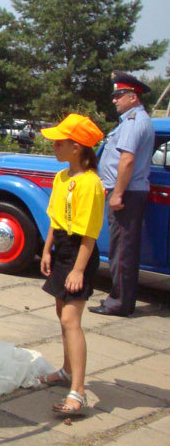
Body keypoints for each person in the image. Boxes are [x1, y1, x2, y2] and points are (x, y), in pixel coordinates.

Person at [37, 113, 105, 417]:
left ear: (76, 147)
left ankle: (77, 391)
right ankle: (66, 370)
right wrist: (48, 249)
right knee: (59, 311)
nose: (53, 145)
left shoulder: (91, 184)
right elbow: (54, 217)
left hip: (80, 254)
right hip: (62, 249)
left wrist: (78, 270)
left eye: (59, 141)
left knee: (70, 320)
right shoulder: (62, 177)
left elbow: (89, 235)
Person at [89, 71, 155, 318]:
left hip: (126, 195)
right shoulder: (134, 120)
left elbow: (126, 160)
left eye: (119, 95)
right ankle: (120, 298)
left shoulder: (134, 121)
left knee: (123, 250)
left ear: (133, 97)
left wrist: (117, 194)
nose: (114, 100)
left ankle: (120, 302)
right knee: (121, 248)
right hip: (126, 192)